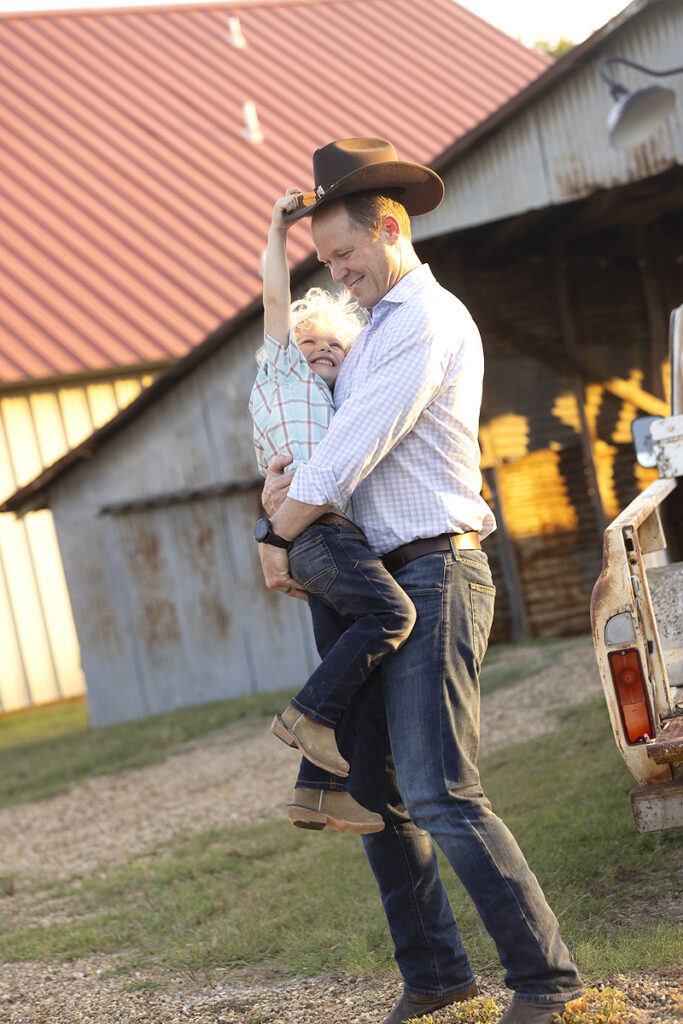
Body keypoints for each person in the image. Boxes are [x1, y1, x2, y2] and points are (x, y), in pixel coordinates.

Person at [256, 139, 584, 1024]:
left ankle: (545, 982)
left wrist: (272, 536)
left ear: (389, 228)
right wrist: (277, 484)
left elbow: (353, 448)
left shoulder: (424, 323)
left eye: (345, 257)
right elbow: (324, 450)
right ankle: (436, 975)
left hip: (435, 570)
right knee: (378, 795)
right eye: (324, 262)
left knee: (440, 788)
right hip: (373, 573)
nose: (338, 275)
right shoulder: (364, 339)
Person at [250, 187, 417, 834]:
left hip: (327, 536)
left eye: (335, 347)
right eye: (311, 340)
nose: (323, 350)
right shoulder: (283, 377)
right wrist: (275, 231)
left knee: (352, 673)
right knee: (389, 613)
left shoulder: (336, 403)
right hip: (318, 534)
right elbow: (272, 297)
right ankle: (302, 717)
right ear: (289, 347)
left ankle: (317, 792)